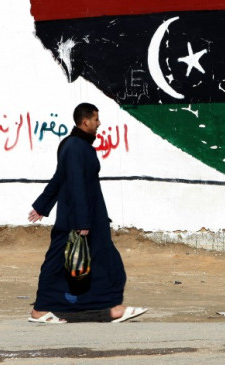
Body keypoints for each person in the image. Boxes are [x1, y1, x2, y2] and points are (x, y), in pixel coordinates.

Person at [27, 102, 147, 324]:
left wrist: (42, 206)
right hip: (77, 220)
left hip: (90, 218)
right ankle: (40, 310)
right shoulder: (74, 147)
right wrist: (81, 221)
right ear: (85, 121)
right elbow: (74, 183)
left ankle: (112, 308)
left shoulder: (77, 145)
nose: (99, 123)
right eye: (96, 119)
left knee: (106, 263)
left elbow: (59, 178)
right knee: (56, 265)